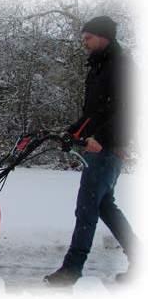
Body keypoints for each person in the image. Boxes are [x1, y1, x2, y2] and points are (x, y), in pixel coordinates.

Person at [44, 16, 139, 286]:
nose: (84, 43)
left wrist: (105, 140)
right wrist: (72, 131)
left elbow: (127, 109)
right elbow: (93, 113)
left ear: (103, 36)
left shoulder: (121, 66)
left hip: (106, 148)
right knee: (105, 207)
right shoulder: (99, 66)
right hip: (98, 146)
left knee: (87, 207)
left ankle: (72, 269)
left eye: (88, 38)